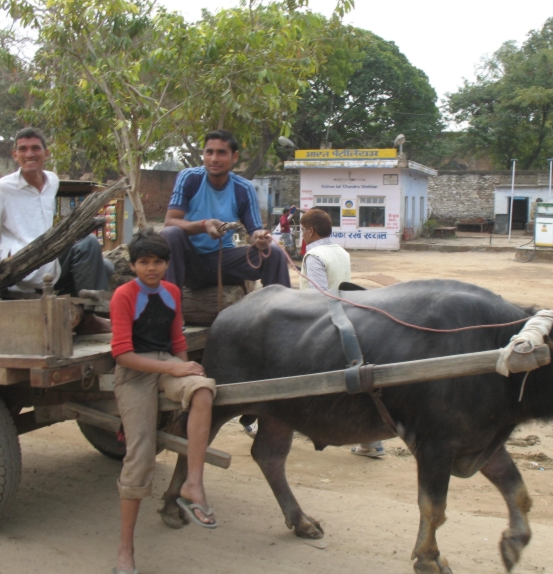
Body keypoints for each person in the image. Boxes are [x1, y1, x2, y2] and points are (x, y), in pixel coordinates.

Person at [111, 229, 217, 574]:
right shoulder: (123, 296)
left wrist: (188, 370)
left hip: (166, 365)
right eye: (144, 262)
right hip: (134, 373)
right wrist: (174, 365)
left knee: (203, 390)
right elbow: (123, 354)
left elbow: (176, 339)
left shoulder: (172, 292)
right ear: (132, 266)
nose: (151, 268)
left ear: (167, 265)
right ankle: (125, 551)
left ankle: (193, 484)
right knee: (140, 458)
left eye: (157, 262)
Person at [0, 127, 111, 334]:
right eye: (23, 149)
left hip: (49, 260)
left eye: (35, 148)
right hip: (22, 271)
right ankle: (88, 320)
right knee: (89, 245)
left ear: (46, 153)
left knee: (105, 266)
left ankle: (84, 313)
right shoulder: (2, 189)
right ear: (15, 155)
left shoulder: (51, 181)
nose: (29, 154)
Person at [298, 210, 385, 458]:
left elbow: (317, 297)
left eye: (302, 230)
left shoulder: (313, 255)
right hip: (346, 318)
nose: (301, 235)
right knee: (358, 384)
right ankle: (372, 441)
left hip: (320, 325)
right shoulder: (341, 252)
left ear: (310, 231)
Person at [160, 129, 290, 291]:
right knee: (171, 234)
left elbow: (254, 233)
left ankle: (279, 311)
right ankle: (171, 312)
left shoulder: (243, 188)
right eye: (209, 152)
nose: (214, 159)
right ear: (203, 155)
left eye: (221, 153)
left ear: (234, 157)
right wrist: (204, 225)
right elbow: (170, 222)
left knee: (274, 252)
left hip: (223, 261)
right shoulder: (189, 178)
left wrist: (260, 239)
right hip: (187, 264)